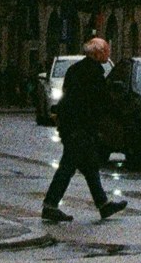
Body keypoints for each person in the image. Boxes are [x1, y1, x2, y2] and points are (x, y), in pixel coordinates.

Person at [43, 35, 127, 221]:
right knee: (67, 168)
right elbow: (101, 100)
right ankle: (50, 205)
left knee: (90, 167)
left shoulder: (76, 69)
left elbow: (69, 96)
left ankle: (103, 205)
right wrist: (120, 114)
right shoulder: (92, 73)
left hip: (73, 126)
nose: (108, 53)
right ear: (97, 54)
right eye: (106, 50)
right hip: (80, 128)